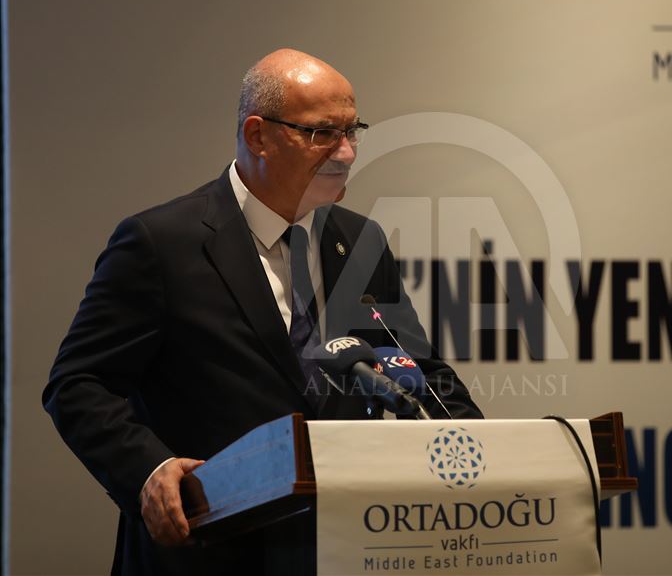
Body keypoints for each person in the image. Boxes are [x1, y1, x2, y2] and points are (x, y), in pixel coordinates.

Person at [43, 48, 483, 575]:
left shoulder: (359, 240)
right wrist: (148, 470)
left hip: (340, 550)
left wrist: (486, 458)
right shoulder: (161, 243)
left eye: (352, 131)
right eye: (322, 133)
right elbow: (79, 383)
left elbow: (415, 371)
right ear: (258, 136)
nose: (346, 152)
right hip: (206, 551)